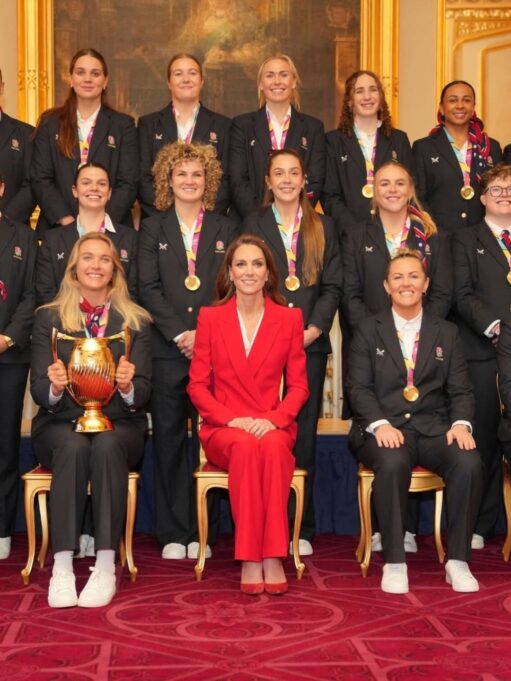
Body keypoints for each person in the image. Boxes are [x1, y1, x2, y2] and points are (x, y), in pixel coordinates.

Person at [347, 249, 482, 594]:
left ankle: (458, 561)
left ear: (425, 284)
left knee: (468, 462)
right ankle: (394, 562)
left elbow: (461, 390)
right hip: (384, 428)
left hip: (434, 428)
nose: (405, 283)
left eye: (413, 276)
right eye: (398, 277)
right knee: (392, 462)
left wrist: (460, 424)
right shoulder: (367, 329)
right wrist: (380, 424)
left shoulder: (447, 332)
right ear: (386, 286)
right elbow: (358, 388)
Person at [30, 232, 152, 608]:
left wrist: (128, 386)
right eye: (87, 258)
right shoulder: (48, 318)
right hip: (60, 423)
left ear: (115, 270)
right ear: (73, 268)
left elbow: (143, 395)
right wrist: (54, 386)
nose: (95, 265)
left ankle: (104, 564)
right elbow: (39, 392)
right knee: (72, 445)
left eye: (104, 259)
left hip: (120, 423)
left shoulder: (136, 321)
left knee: (107, 444)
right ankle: (63, 567)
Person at [187, 234, 309, 594]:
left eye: (257, 264)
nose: (249, 271)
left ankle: (273, 554)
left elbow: (299, 387)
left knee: (271, 447)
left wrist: (273, 419)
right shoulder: (211, 318)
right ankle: (251, 557)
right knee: (244, 446)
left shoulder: (289, 319)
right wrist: (229, 419)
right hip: (224, 427)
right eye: (241, 264)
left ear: (269, 273)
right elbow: (197, 386)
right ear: (230, 271)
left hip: (272, 423)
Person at [138, 141, 238, 561]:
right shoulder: (152, 228)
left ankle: (204, 532)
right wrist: (181, 332)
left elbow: (232, 285)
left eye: (197, 174)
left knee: (211, 440)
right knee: (168, 440)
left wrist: (204, 334)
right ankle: (173, 532)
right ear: (168, 180)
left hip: (214, 351)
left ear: (208, 180)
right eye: (181, 174)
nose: (190, 180)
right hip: (167, 350)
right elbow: (147, 287)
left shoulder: (225, 227)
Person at [242, 148, 342, 554]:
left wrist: (313, 330)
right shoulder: (253, 223)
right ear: (268, 181)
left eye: (294, 173)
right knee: (267, 433)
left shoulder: (324, 225)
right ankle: (265, 522)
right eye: (279, 173)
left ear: (304, 180)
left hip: (309, 346)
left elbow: (333, 285)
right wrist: (275, 334)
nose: (286, 180)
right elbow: (249, 280)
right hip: (264, 346)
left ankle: (301, 527)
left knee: (303, 439)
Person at [452, 164, 511, 548]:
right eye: (497, 189)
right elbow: (461, 293)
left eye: (510, 188)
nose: (504, 195)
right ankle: (480, 524)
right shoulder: (464, 239)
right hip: (484, 350)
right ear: (483, 197)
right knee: (486, 438)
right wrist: (497, 328)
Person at [31, 48, 138, 237]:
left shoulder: (123, 125)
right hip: (59, 230)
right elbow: (41, 179)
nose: (88, 79)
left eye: (95, 74)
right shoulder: (50, 123)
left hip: (110, 232)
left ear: (105, 81)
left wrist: (97, 224)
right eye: (80, 72)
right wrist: (68, 223)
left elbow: (128, 183)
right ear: (71, 79)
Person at [342, 161, 452, 331]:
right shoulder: (354, 237)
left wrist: (417, 332)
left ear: (410, 190)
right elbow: (350, 297)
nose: (392, 189)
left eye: (400, 183)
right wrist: (380, 335)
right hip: (370, 339)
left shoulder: (434, 237)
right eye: (384, 184)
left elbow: (442, 295)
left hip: (423, 338)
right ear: (374, 191)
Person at [229, 54, 325, 220]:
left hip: (298, 223)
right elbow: (238, 181)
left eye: (283, 75)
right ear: (260, 84)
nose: (277, 81)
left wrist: (292, 216)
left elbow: (315, 180)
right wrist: (261, 220)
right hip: (251, 223)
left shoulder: (313, 128)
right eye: (270, 75)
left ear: (293, 81)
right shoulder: (242, 126)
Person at [138, 53, 231, 219]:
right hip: (159, 222)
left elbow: (226, 181)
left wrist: (201, 218)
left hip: (208, 223)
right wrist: (170, 219)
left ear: (202, 81)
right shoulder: (148, 124)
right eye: (178, 74)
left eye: (192, 73)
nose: (186, 79)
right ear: (169, 83)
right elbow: (143, 179)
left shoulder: (222, 125)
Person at [322, 70, 414, 234]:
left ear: (380, 96)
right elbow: (330, 196)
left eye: (373, 90)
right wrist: (355, 232)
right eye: (359, 91)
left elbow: (410, 189)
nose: (367, 97)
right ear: (349, 101)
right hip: (349, 235)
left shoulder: (399, 139)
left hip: (393, 233)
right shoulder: (333, 141)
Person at [35, 162, 138, 305]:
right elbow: (45, 293)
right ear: (75, 191)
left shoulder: (130, 239)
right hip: (63, 317)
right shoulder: (52, 240)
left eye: (101, 184)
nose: (94, 188)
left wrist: (105, 317)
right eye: (86, 183)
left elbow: (133, 293)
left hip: (116, 317)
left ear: (109, 193)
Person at [0, 173, 37, 559]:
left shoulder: (24, 237)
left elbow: (31, 295)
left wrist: (7, 337)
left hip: (8, 356)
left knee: (5, 444)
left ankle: (1, 529)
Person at [413, 80, 502, 233]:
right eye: (453, 100)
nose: (460, 105)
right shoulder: (423, 147)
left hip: (484, 237)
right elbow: (418, 197)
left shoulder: (490, 147)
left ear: (473, 107)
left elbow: (500, 195)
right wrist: (436, 233)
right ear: (442, 108)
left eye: (466, 100)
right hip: (440, 236)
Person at [0, 68, 36, 224]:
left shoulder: (27, 134)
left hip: (13, 231)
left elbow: (33, 184)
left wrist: (5, 221)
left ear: (1, 87)